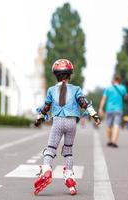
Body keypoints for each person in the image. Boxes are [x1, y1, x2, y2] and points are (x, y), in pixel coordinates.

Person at [33, 59, 101, 196]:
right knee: (68, 151)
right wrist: (94, 115)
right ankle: (69, 177)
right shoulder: (76, 89)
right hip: (71, 123)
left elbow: (46, 107)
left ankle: (46, 169)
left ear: (55, 75)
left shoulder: (51, 90)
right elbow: (83, 103)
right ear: (69, 75)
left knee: (51, 148)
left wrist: (39, 118)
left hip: (58, 122)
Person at [99, 75, 128, 148]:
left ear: (113, 80)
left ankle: (109, 141)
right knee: (116, 125)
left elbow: (103, 99)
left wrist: (100, 108)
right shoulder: (123, 88)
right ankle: (114, 141)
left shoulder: (108, 89)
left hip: (109, 109)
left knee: (109, 125)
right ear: (119, 80)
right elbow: (126, 97)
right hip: (118, 109)